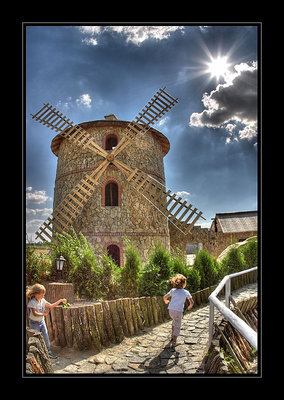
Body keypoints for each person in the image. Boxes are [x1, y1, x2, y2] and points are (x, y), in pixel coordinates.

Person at [26, 283, 67, 359]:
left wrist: (60, 301)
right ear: (36, 294)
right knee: (35, 339)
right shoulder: (32, 302)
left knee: (46, 337)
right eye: (42, 294)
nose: (43, 296)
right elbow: (35, 313)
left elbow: (51, 305)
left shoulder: (42, 300)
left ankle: (48, 352)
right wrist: (44, 314)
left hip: (41, 322)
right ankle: (37, 354)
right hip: (34, 323)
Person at [163, 274, 194, 347]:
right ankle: (174, 342)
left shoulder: (173, 290)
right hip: (178, 311)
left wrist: (166, 301)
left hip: (171, 310)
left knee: (174, 322)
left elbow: (165, 297)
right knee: (178, 325)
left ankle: (172, 336)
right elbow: (192, 302)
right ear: (184, 284)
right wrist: (190, 306)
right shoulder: (186, 292)